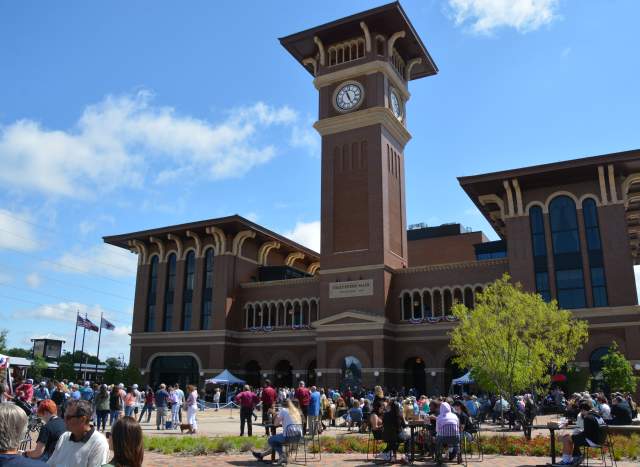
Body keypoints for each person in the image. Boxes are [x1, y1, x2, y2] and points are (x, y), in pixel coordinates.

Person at [46, 399, 109, 467]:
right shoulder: (65, 436)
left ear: (82, 419)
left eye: (68, 417)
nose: (64, 420)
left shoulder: (98, 443)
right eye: (64, 416)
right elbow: (51, 463)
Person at [252, 399, 303, 465]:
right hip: (299, 436)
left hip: (289, 436)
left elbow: (276, 424)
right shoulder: (296, 411)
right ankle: (261, 455)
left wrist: (274, 414)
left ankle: (282, 455)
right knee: (276, 442)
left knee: (271, 440)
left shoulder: (284, 410)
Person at [558, 400, 605, 465]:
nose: (581, 412)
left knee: (567, 438)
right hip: (601, 441)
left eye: (581, 410)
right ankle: (575, 457)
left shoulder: (587, 417)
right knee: (572, 437)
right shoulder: (598, 416)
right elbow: (591, 431)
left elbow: (586, 434)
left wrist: (574, 436)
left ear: (583, 410)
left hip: (593, 441)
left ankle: (566, 461)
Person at [379, 399, 411, 463]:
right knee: (408, 438)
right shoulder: (399, 415)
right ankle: (405, 455)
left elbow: (383, 424)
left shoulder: (385, 415)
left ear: (390, 407)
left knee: (394, 440)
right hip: (397, 437)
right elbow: (404, 426)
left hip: (387, 436)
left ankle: (394, 456)